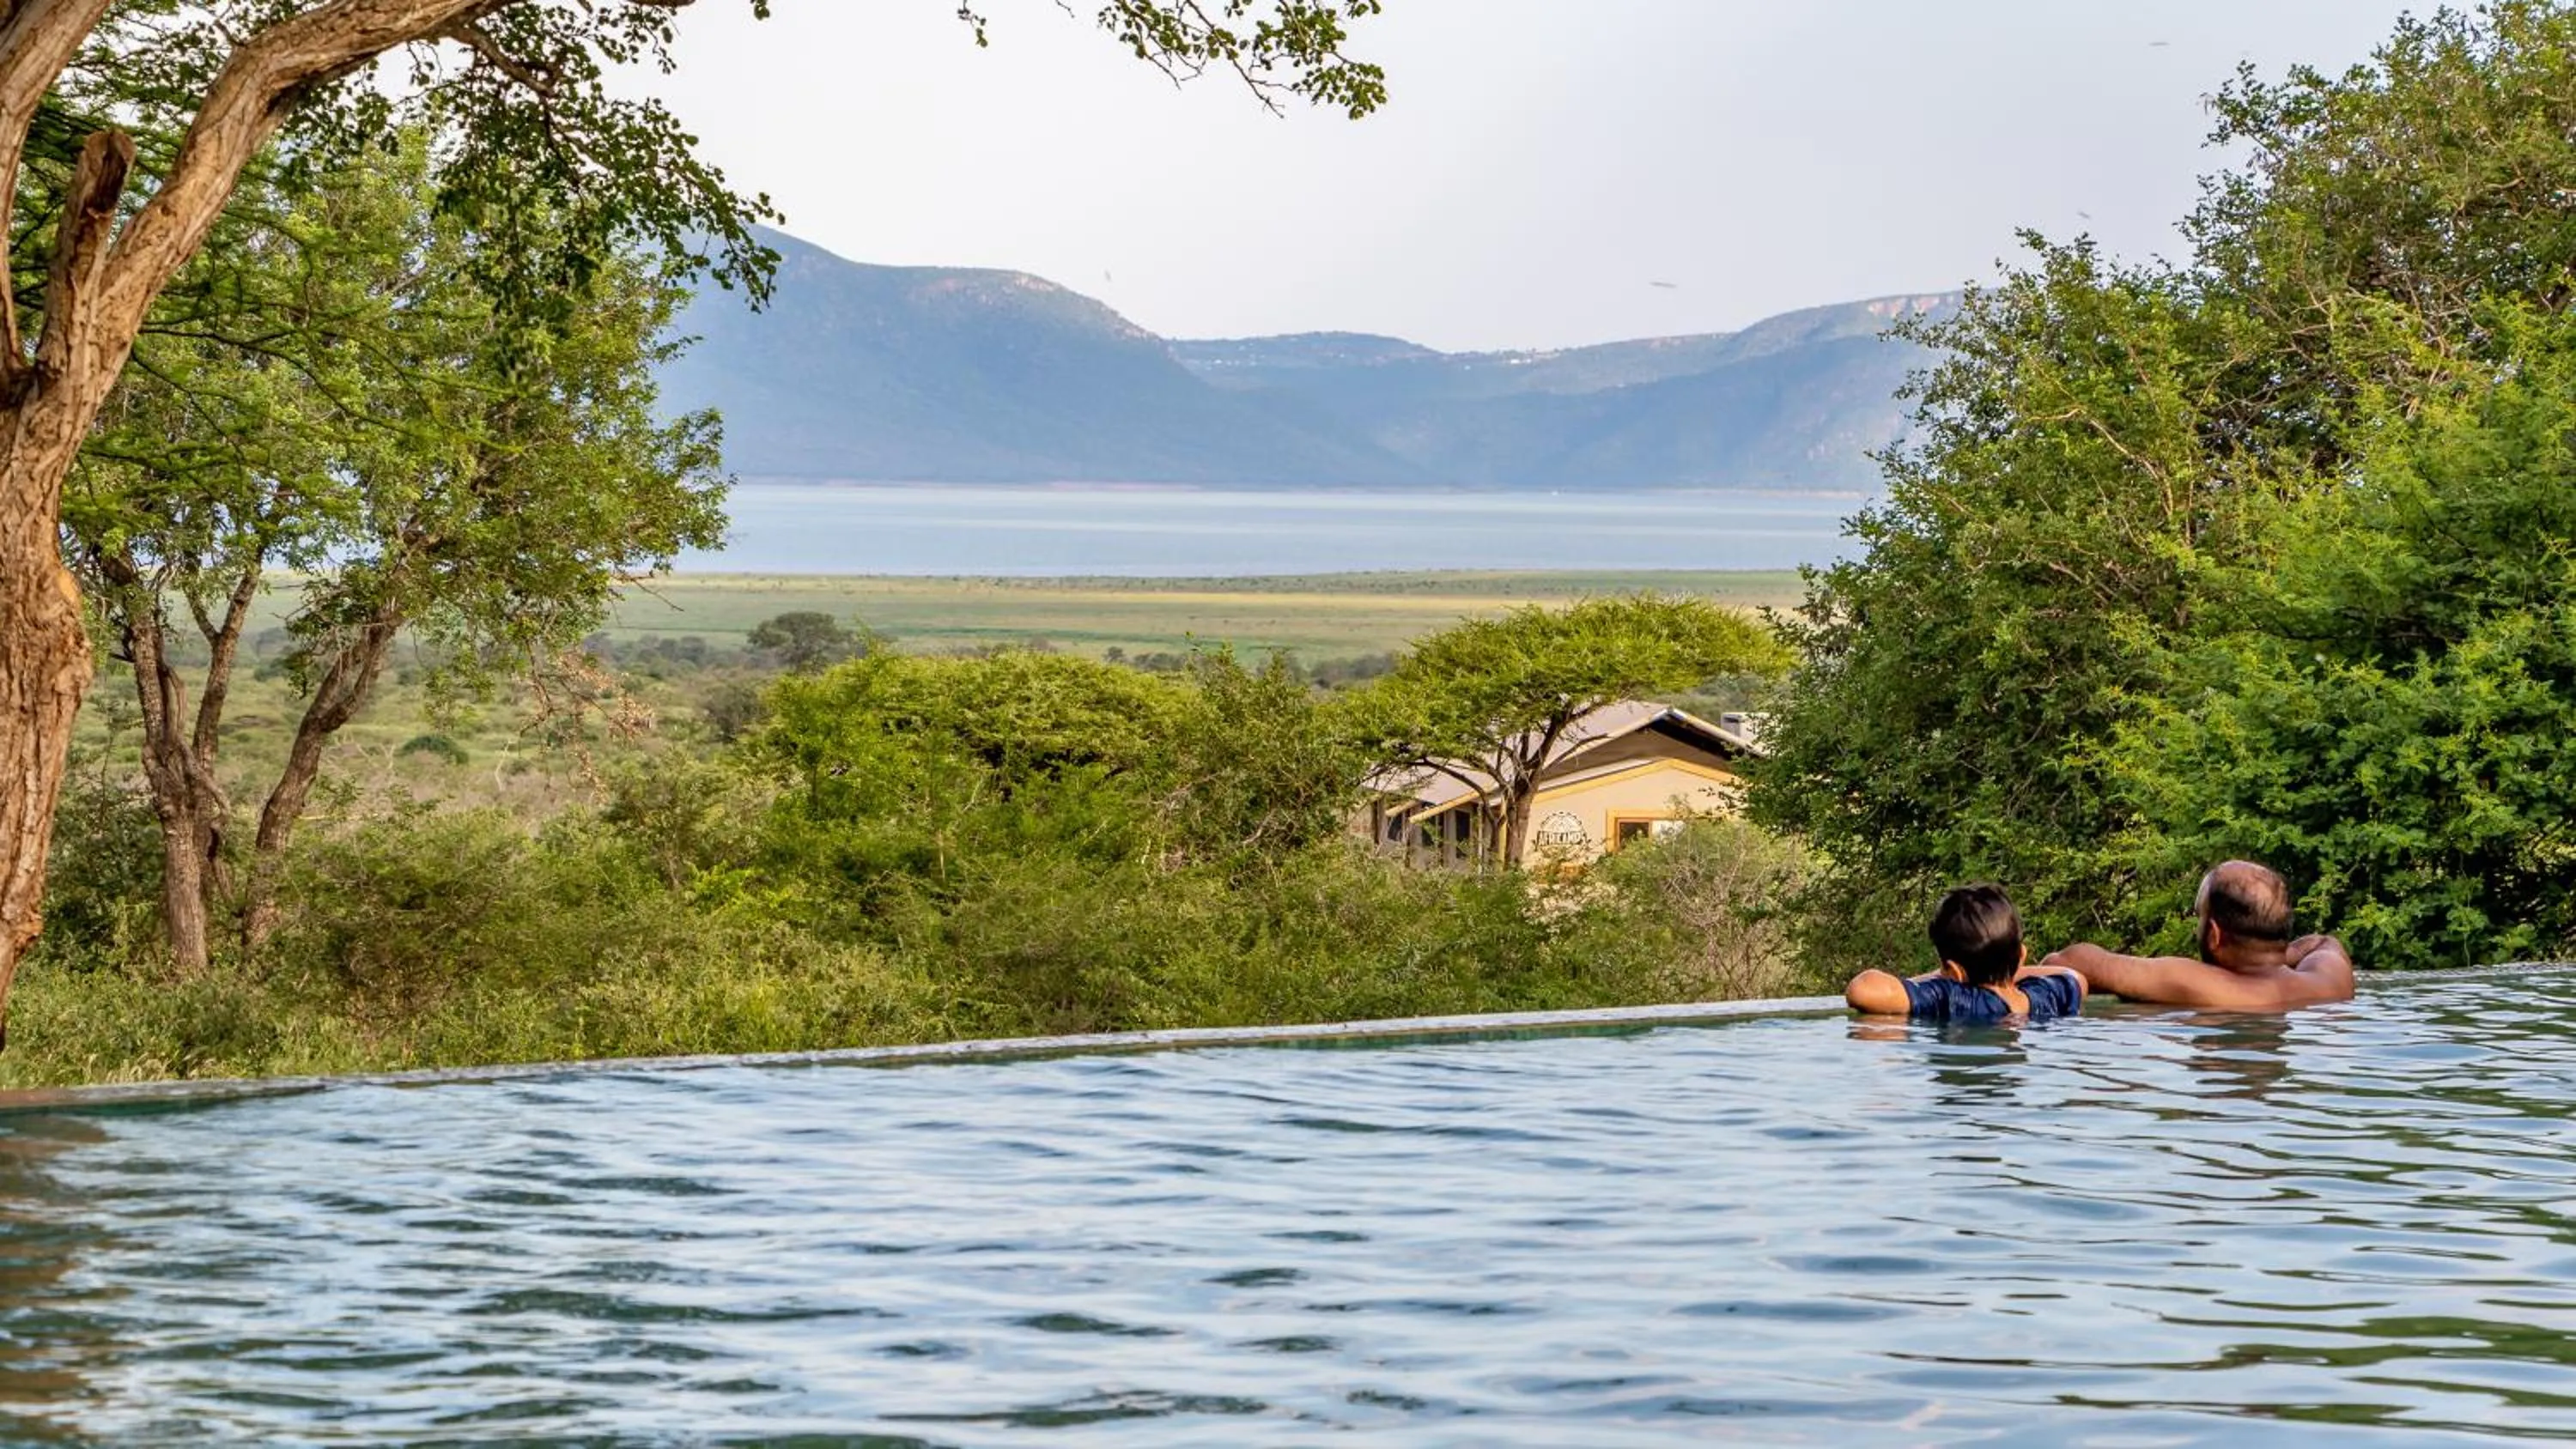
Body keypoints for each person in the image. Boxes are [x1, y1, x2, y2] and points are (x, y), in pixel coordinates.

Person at [2044, 860, 2354, 1010]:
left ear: (2215, 935)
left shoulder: (2196, 981)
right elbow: (2324, 943)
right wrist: (2270, 953)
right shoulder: (2331, 979)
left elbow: (2067, 961)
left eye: (2199, 915)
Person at [1845, 883, 2086, 1024]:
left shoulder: (1954, 998)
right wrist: (2009, 968)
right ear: (2022, 955)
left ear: (1954, 971)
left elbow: (1863, 989)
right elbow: (2076, 977)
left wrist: (1938, 977)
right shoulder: (2051, 994)